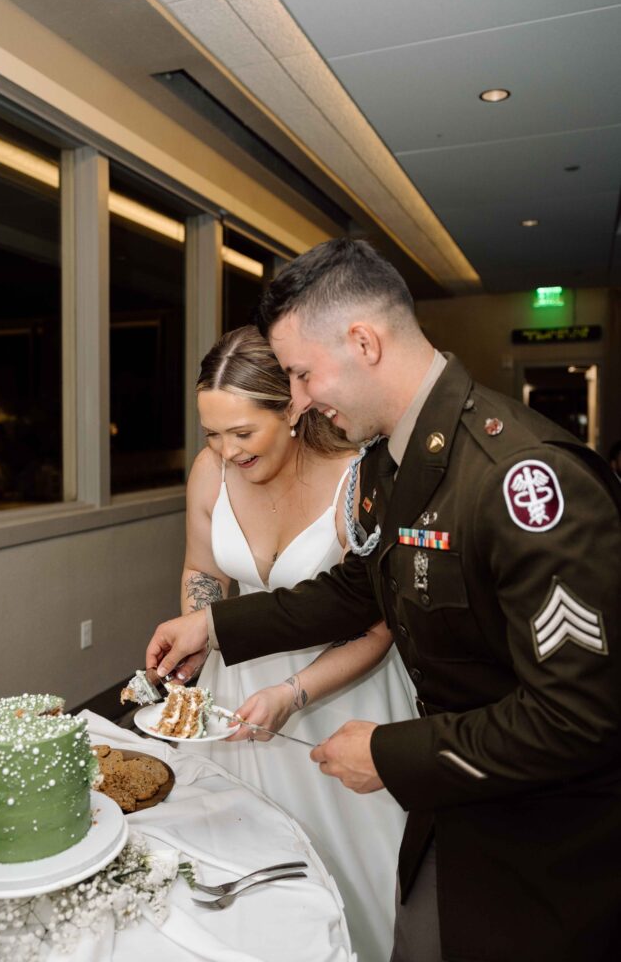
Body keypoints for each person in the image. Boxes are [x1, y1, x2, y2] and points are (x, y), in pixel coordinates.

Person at [147, 240, 621, 962]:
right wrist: (210, 625)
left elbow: (576, 718)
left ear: (362, 341)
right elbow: (353, 591)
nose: (300, 398)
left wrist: (392, 753)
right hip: (451, 809)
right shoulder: (387, 463)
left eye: (302, 373)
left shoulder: (520, 479)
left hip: (537, 839)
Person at [175, 324, 416, 962]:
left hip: (338, 697)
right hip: (234, 701)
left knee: (351, 873)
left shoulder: (358, 482)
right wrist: (201, 639)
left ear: (293, 408)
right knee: (241, 877)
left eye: (242, 432)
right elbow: (203, 571)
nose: (225, 451)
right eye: (211, 434)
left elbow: (379, 624)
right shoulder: (210, 472)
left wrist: (295, 692)